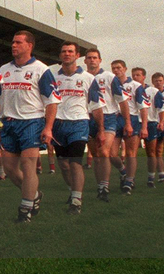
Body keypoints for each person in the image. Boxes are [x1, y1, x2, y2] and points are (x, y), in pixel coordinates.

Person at [0, 31, 60, 222]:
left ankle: (25, 210)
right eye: (13, 42)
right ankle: (34, 195)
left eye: (18, 42)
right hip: (8, 123)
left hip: (32, 121)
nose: (13, 45)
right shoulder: (4, 69)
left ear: (29, 45)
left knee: (28, 165)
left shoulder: (41, 70)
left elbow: (52, 101)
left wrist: (48, 127)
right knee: (9, 169)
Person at [51, 43, 103, 214]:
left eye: (70, 52)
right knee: (63, 164)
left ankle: (76, 200)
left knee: (75, 162)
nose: (67, 54)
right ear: (60, 55)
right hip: (58, 123)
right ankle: (72, 191)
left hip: (79, 123)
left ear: (77, 55)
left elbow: (96, 105)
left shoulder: (88, 78)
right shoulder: (52, 77)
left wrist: (101, 130)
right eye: (64, 51)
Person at [83, 48, 127, 202]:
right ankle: (120, 172)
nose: (92, 60)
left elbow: (122, 100)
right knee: (96, 155)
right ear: (85, 61)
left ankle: (104, 187)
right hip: (88, 118)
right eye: (89, 58)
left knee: (104, 151)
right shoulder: (83, 77)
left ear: (100, 60)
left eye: (95, 57)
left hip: (108, 117)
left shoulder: (109, 77)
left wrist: (127, 123)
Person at [112, 60, 149, 194]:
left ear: (125, 69)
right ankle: (123, 171)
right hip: (115, 119)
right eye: (114, 68)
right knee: (111, 153)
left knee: (131, 153)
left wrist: (144, 127)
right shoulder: (111, 83)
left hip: (132, 119)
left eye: (119, 68)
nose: (116, 70)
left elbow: (143, 108)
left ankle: (129, 181)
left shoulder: (135, 86)